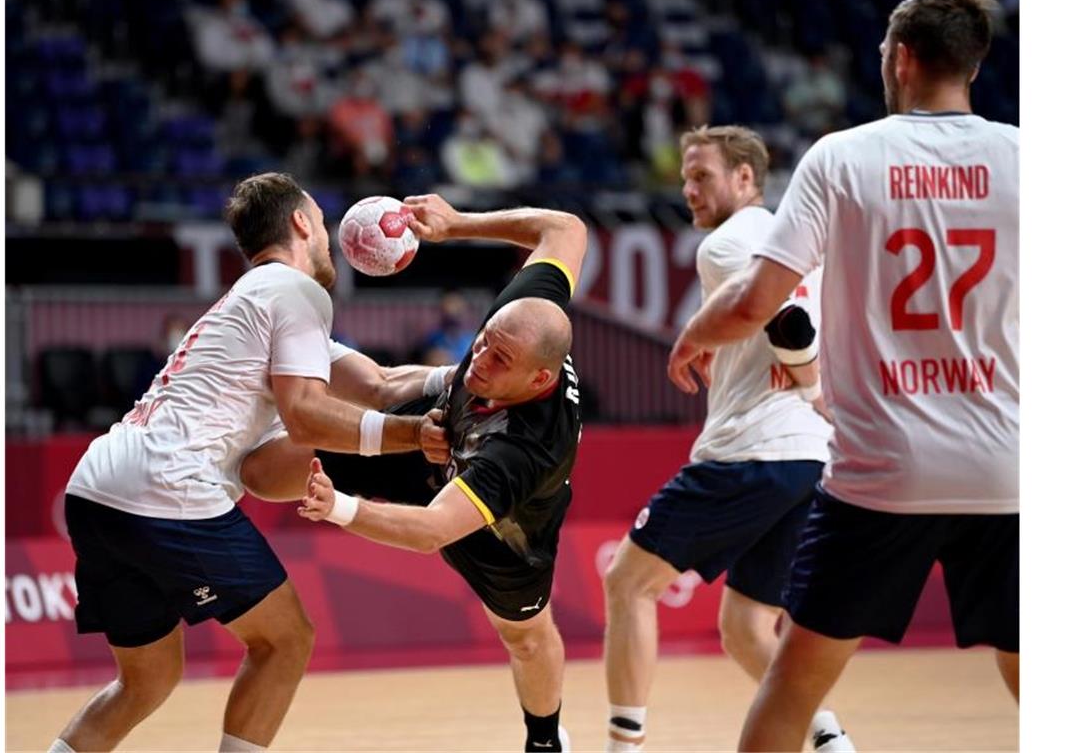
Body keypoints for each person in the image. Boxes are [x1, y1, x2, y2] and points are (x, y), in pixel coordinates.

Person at [666, 0, 1018, 749]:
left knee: (793, 682)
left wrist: (694, 333)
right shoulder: (1032, 159)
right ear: (976, 65)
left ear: (899, 58)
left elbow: (758, 302)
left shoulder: (842, 156)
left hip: (883, 473)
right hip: (1009, 469)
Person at [48, 172, 445, 753]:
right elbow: (308, 414)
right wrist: (416, 436)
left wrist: (465, 374)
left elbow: (382, 383)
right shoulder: (295, 291)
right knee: (285, 641)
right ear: (302, 223)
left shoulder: (259, 303)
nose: (331, 240)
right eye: (323, 223)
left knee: (146, 680)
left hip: (97, 489)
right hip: (168, 487)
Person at [242, 194, 587, 752]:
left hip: (499, 534)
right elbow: (565, 224)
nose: (481, 360)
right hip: (441, 431)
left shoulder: (523, 450)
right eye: (484, 342)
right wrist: (455, 225)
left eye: (500, 361)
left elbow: (431, 532)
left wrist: (340, 509)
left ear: (539, 379)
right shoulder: (523, 321)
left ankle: (545, 741)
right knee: (260, 472)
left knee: (525, 638)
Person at [601, 126, 851, 753]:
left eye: (702, 176)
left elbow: (787, 323)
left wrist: (812, 382)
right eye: (685, 176)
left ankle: (622, 747)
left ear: (746, 178)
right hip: (810, 460)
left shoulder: (727, 244)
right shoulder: (800, 241)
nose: (688, 189)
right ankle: (829, 740)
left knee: (628, 584)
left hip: (752, 451)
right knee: (745, 626)